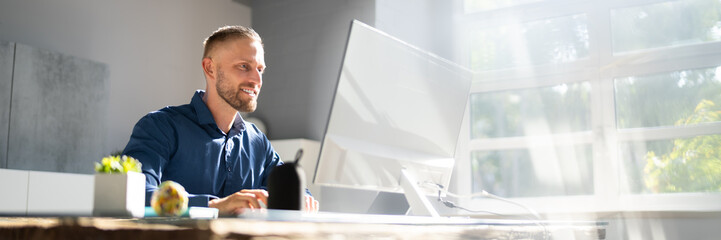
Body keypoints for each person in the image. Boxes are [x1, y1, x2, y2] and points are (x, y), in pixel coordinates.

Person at [122, 25, 318, 215]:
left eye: (260, 69)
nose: (256, 80)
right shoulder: (159, 127)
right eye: (244, 66)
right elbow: (134, 194)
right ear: (210, 68)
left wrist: (301, 199)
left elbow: (291, 189)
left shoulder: (258, 142)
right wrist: (213, 206)